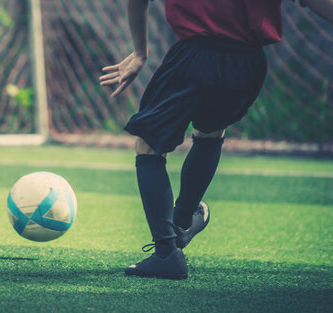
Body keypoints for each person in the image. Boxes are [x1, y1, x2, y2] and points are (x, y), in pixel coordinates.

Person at [99, 0, 333, 279]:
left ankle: (166, 254)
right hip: (248, 63)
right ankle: (183, 221)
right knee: (211, 131)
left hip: (195, 57)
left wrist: (140, 53)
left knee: (149, 145)